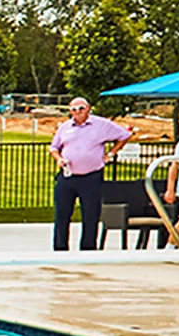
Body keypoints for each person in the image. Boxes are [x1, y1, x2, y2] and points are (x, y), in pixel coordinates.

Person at [49, 97, 131, 251]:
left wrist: (111, 154)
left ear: (88, 108)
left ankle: (88, 249)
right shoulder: (66, 127)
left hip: (91, 177)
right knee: (62, 214)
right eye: (73, 109)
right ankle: (60, 249)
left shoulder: (101, 125)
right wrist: (59, 158)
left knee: (90, 215)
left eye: (80, 108)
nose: (77, 112)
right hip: (68, 175)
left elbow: (124, 135)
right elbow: (54, 146)